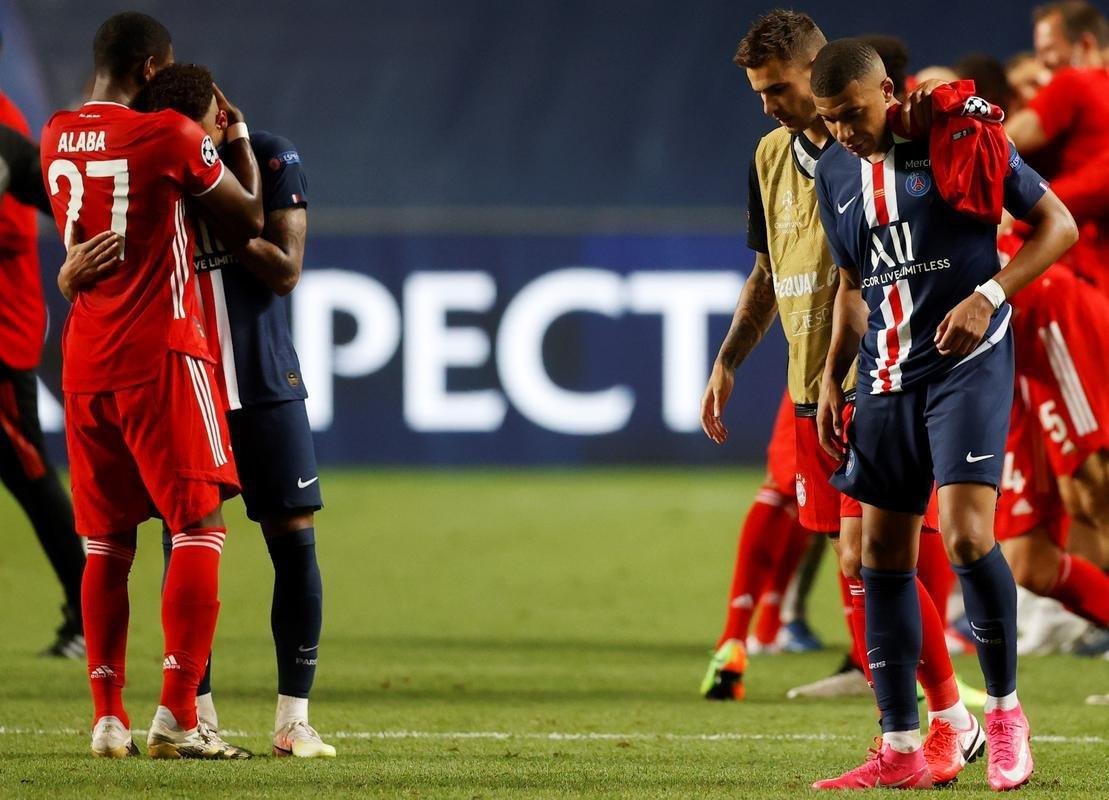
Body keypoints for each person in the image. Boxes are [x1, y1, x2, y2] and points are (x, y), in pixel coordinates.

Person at [700, 13, 980, 785]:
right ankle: (928, 727)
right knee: (854, 560)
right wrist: (728, 360)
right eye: (758, 93)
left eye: (777, 89)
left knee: (879, 554)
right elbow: (767, 271)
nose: (767, 106)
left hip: (882, 376)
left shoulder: (877, 147)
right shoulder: (769, 156)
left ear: (817, 69)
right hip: (810, 389)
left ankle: (945, 721)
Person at [810, 39, 1077, 790]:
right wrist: (831, 376)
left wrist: (989, 295)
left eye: (853, 113)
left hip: (967, 363)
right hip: (884, 375)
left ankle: (1005, 714)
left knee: (964, 536)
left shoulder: (956, 133)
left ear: (887, 92)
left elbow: (1057, 224)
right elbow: (853, 285)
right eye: (830, 120)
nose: (844, 132)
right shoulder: (832, 172)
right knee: (879, 557)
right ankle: (901, 745)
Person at [41, 12, 262, 759]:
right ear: (150, 70)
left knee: (105, 544)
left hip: (85, 362)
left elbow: (90, 234)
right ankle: (178, 714)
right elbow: (247, 216)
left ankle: (107, 717)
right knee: (198, 525)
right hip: (161, 353)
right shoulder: (167, 135)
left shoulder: (54, 134)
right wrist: (234, 137)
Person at [124, 63, 333, 758]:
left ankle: (293, 721)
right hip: (187, 385)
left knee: (294, 543)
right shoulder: (153, 169)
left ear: (221, 118)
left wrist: (226, 208)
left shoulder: (272, 155)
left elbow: (284, 271)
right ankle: (195, 713)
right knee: (186, 542)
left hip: (266, 383)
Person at [0, 96, 87, 660]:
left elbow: (14, 229)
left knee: (29, 473)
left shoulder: (4, 120)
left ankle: (87, 613)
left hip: (2, 333)